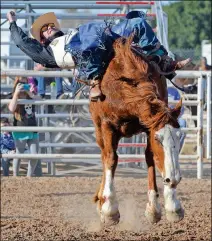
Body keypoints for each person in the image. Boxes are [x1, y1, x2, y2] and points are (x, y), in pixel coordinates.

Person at [7, 10, 190, 102]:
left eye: (50, 25)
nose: (49, 28)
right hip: (84, 51)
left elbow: (95, 32)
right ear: (42, 40)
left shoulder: (74, 32)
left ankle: (162, 60)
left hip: (100, 35)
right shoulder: (46, 52)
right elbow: (22, 42)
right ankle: (94, 79)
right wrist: (13, 23)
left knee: (138, 22)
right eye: (44, 30)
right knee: (91, 35)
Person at [8, 76, 42, 177]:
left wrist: (30, 93)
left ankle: (29, 177)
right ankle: (15, 175)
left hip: (32, 129)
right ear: (16, 85)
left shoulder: (30, 95)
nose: (23, 86)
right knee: (18, 154)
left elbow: (40, 100)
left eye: (25, 83)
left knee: (35, 155)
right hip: (19, 129)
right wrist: (16, 94)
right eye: (21, 84)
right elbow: (11, 108)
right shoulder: (14, 95)